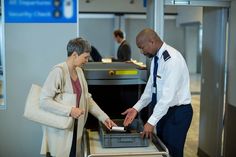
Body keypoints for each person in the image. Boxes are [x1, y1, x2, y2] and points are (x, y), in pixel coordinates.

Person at [39, 37, 116, 157]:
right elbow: (44, 101)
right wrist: (70, 110)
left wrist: (104, 117)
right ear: (75, 55)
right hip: (60, 132)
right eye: (85, 57)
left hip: (75, 129)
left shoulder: (79, 71)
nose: (87, 60)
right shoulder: (58, 72)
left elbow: (87, 99)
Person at [122, 28, 193, 157]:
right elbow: (150, 89)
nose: (141, 52)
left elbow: (168, 97)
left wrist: (151, 122)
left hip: (177, 113)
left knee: (172, 152)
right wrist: (135, 108)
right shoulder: (157, 58)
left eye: (142, 47)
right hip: (163, 112)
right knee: (163, 149)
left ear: (152, 41)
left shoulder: (172, 60)